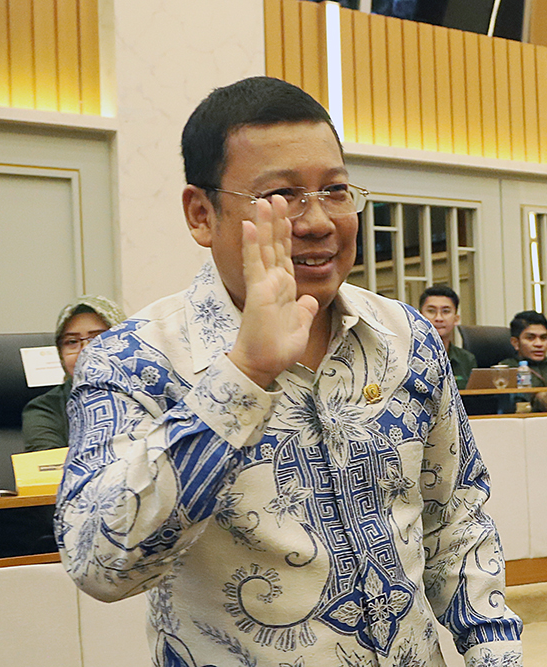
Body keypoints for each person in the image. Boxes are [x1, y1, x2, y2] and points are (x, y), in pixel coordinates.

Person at [56, 77, 522, 667]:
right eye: (282, 197)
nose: (320, 221)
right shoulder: (134, 360)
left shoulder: (405, 337)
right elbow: (100, 562)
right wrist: (243, 374)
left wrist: (493, 651)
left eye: (334, 190)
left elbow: (454, 514)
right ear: (202, 214)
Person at [22, 295, 125, 452]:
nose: (85, 350)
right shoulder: (45, 410)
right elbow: (50, 471)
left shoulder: (155, 397)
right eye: (72, 342)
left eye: (98, 338)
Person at [419, 284, 477, 390]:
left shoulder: (466, 359)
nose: (439, 318)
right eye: (431, 311)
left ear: (456, 319)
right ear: (420, 317)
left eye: (446, 311)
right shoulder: (408, 357)